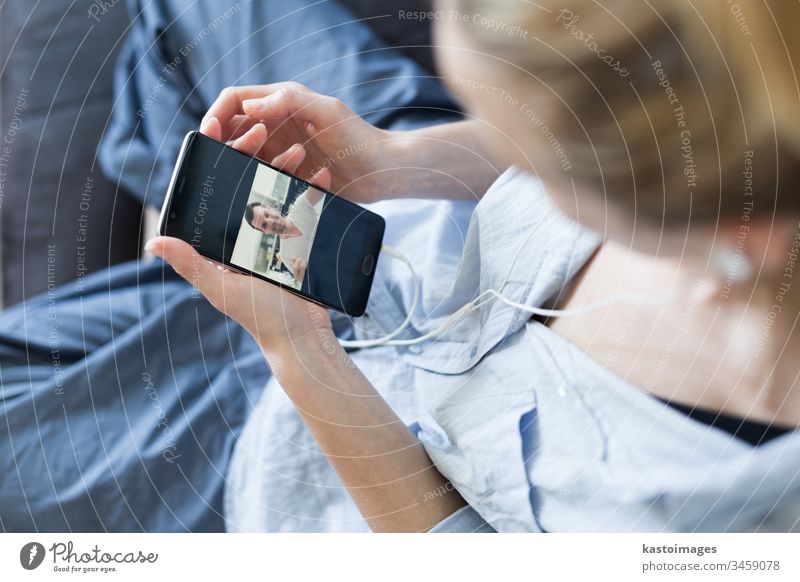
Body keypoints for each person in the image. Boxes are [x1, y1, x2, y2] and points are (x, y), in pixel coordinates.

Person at [148, 0, 800, 532]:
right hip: (413, 239)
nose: (519, 163)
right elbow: (571, 138)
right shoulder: (734, 96)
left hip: (319, 453)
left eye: (540, 164)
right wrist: (393, 160)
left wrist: (299, 353)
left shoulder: (711, 513)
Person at [243, 182, 323, 284]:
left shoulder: (300, 207)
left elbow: (322, 183)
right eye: (264, 225)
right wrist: (301, 279)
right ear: (264, 232)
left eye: (267, 215)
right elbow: (312, 282)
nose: (271, 222)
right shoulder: (286, 256)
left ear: (270, 208)